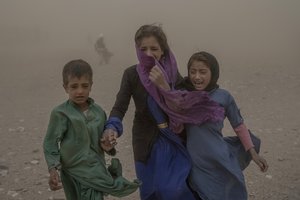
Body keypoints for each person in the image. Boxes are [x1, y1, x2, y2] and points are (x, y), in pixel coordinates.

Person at [100, 24, 225, 200]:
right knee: (150, 190)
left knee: (174, 189)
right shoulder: (131, 75)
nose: (149, 54)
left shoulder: (173, 75)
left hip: (172, 139)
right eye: (143, 49)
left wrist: (164, 87)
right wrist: (111, 127)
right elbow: (120, 107)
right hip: (145, 141)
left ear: (163, 50)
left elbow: (183, 108)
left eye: (154, 48)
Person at [150, 51, 269, 200]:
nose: (197, 77)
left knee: (233, 189)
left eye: (203, 72)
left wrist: (253, 154)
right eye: (193, 72)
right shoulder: (184, 97)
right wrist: (164, 87)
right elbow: (176, 120)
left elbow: (239, 125)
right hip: (197, 161)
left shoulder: (224, 96)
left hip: (220, 158)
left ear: (213, 72)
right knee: (203, 193)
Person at [43, 59, 139, 200]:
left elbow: (103, 143)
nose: (80, 91)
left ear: (91, 86)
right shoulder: (61, 113)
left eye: (84, 86)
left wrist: (108, 146)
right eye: (74, 86)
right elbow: (50, 143)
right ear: (65, 87)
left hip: (95, 171)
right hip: (71, 172)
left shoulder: (99, 112)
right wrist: (53, 169)